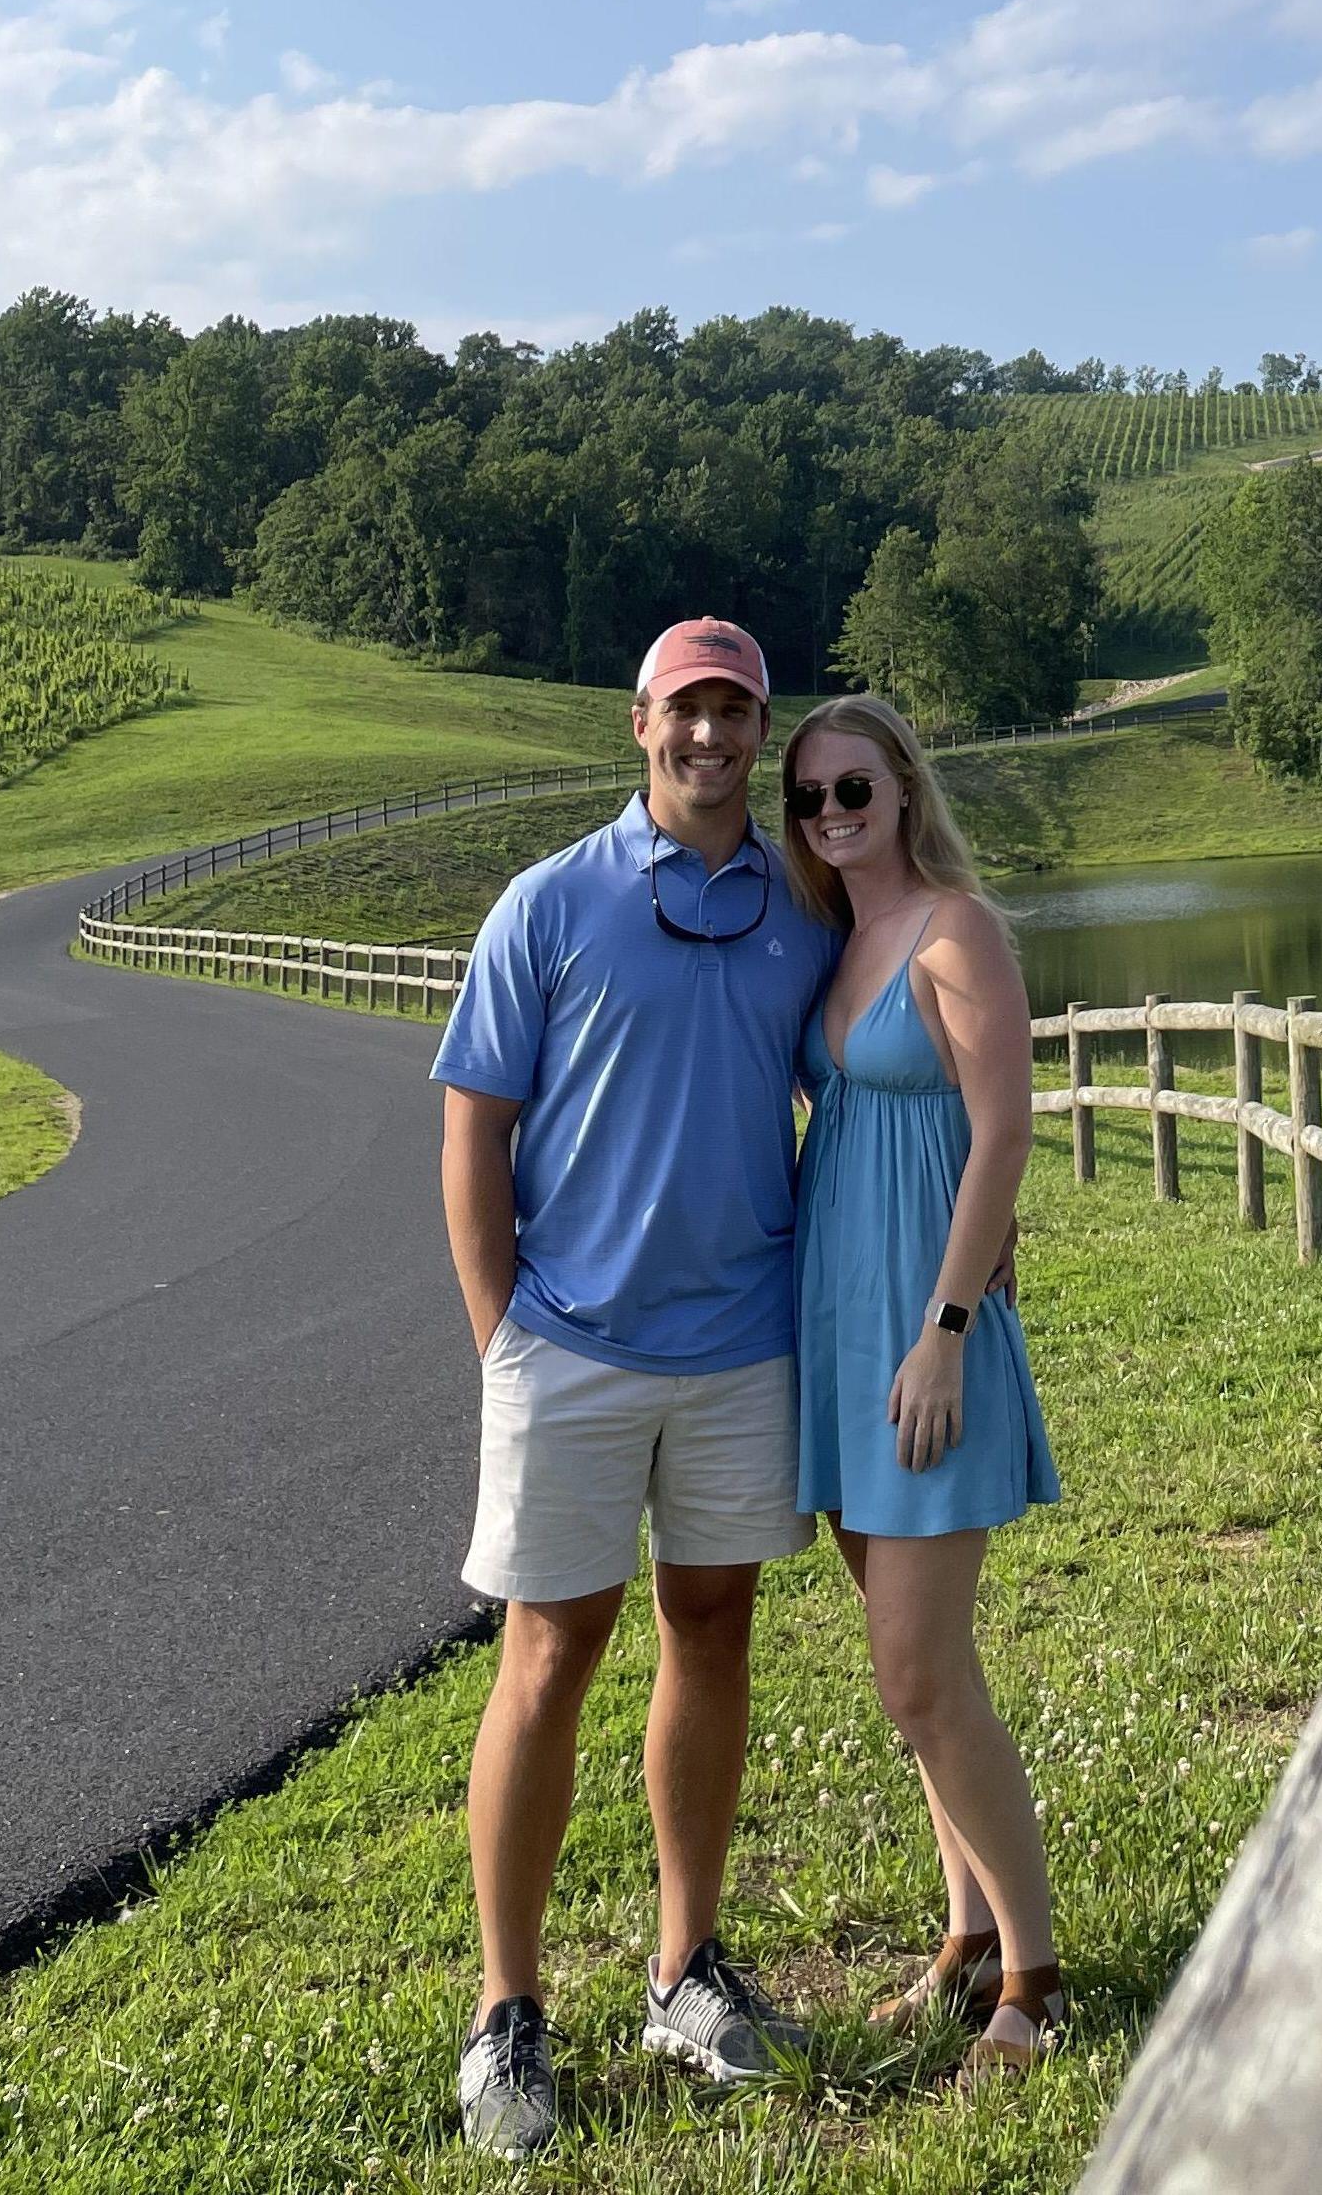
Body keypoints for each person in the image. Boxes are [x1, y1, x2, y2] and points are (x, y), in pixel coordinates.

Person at [432, 619, 843, 2159]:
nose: (713, 738)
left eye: (737, 713)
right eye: (688, 711)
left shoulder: (804, 911)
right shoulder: (550, 905)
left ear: (760, 728)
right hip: (573, 1348)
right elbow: (475, 1129)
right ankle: (508, 2016)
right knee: (550, 1653)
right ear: (640, 725)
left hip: (741, 1346)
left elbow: (870, 1078)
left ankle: (684, 1970)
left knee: (710, 1624)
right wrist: (504, 1341)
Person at [782, 691, 1065, 2085]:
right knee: (913, 1679)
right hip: (839, 1334)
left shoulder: (958, 930)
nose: (832, 816)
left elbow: (1004, 1127)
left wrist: (949, 1324)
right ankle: (960, 1937)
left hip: (922, 1338)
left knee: (919, 1671)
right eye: (811, 799)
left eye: (853, 790)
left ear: (902, 788)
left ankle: (1034, 1968)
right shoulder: (837, 942)